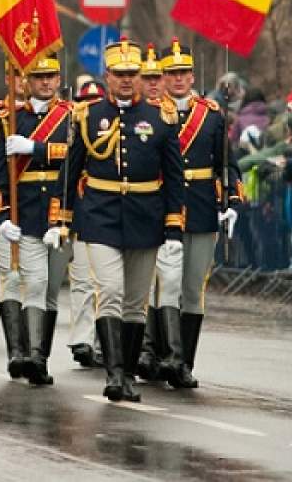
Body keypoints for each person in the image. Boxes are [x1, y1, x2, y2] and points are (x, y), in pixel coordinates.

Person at [57, 39, 184, 403]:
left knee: (135, 301)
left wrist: (174, 225)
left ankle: (127, 373)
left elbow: (174, 177)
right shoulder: (87, 116)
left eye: (133, 74)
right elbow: (71, 170)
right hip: (100, 215)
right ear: (107, 76)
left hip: (146, 216)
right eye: (120, 74)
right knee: (109, 291)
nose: (127, 80)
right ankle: (113, 374)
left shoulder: (161, 117)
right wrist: (60, 219)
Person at [147, 39, 240, 388]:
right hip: (162, 206)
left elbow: (227, 163)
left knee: (192, 287)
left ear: (192, 74)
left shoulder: (212, 114)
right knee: (163, 284)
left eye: (184, 72)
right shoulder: (153, 112)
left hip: (201, 206)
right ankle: (158, 354)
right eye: (171, 73)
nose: (178, 79)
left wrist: (231, 202)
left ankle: (184, 362)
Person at [0, 53, 73, 386]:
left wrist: (34, 148)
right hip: (24, 210)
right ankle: (29, 355)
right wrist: (1, 215)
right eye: (39, 77)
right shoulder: (9, 118)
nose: (46, 82)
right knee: (30, 282)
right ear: (26, 81)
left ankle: (39, 353)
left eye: (51, 76)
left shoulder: (71, 116)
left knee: (50, 287)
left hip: (59, 210)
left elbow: (74, 153)